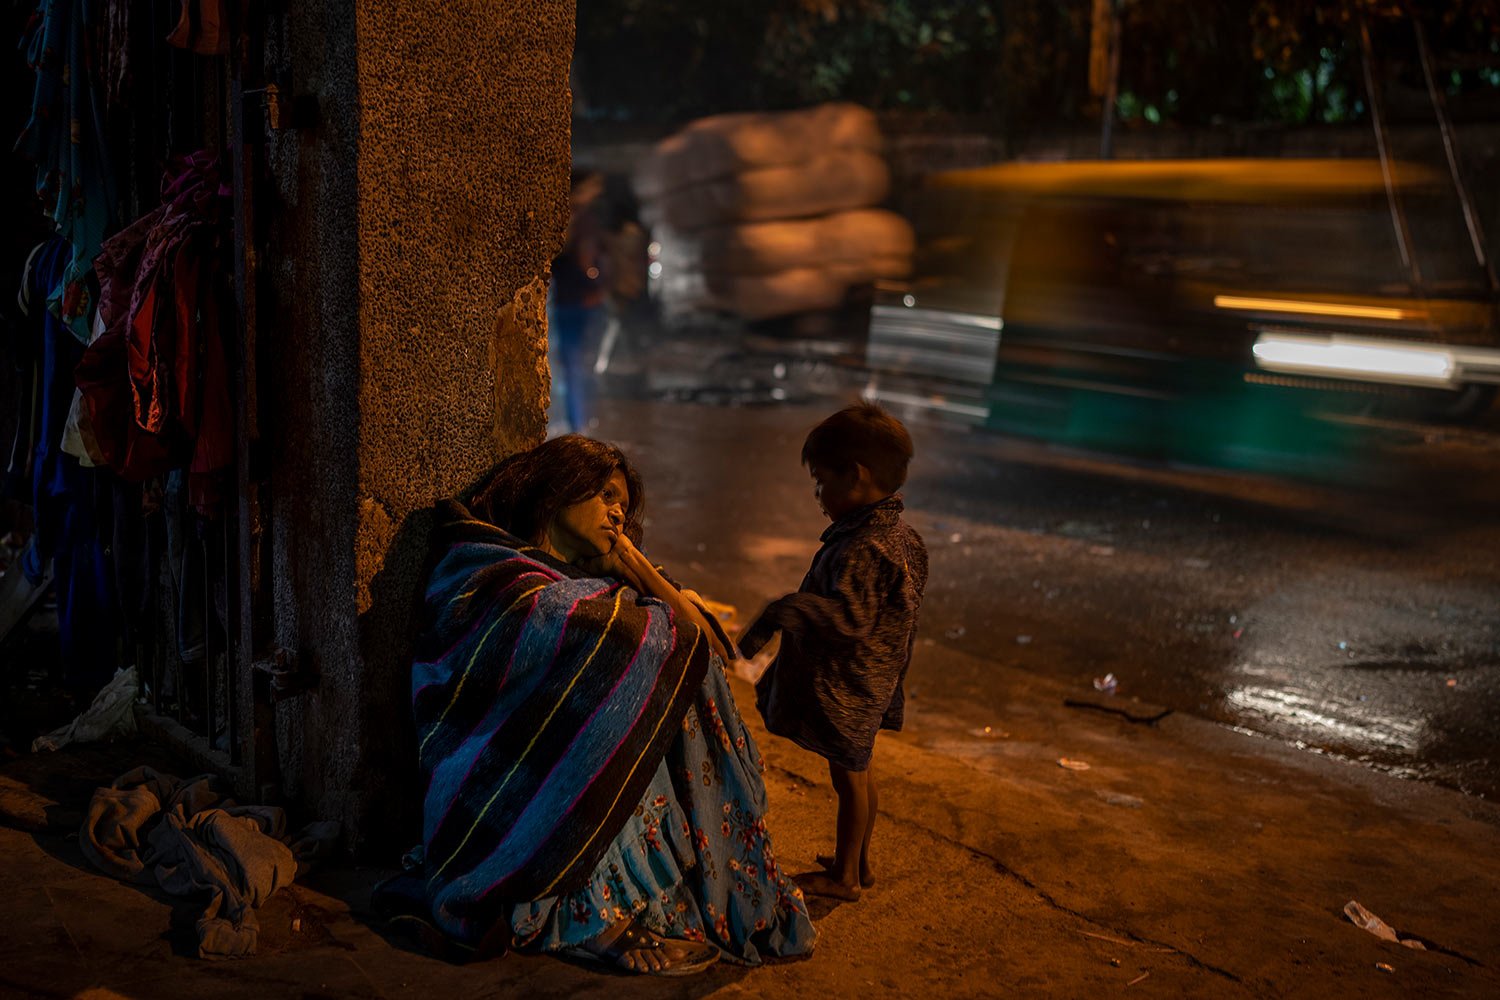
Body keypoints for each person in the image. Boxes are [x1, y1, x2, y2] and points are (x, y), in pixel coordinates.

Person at [410, 434, 816, 975]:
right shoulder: (496, 569)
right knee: (630, 663)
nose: (618, 511)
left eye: (623, 502)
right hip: (512, 767)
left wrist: (633, 562)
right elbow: (485, 663)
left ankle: (626, 894)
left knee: (661, 659)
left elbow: (712, 651)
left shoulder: (609, 579)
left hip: (588, 763)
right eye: (604, 495)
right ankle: (586, 914)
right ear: (558, 491)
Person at [738, 403, 928, 901]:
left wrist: (788, 609)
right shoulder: (901, 537)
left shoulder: (866, 546)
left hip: (852, 682)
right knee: (860, 773)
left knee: (849, 778)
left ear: (857, 476)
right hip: (876, 678)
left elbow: (851, 620)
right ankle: (858, 862)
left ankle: (843, 879)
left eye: (821, 482)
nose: (818, 495)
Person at [547, 170, 609, 433]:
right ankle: (579, 423)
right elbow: (586, 258)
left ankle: (577, 420)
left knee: (572, 364)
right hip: (582, 299)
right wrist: (596, 283)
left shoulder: (563, 217)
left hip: (565, 299)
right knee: (580, 364)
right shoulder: (583, 220)